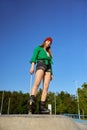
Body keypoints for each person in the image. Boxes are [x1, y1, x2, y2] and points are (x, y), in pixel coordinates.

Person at [28, 37, 53, 114]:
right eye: (48, 41)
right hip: (41, 64)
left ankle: (42, 107)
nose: (49, 42)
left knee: (46, 87)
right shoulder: (38, 48)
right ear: (45, 41)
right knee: (37, 83)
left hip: (48, 68)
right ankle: (31, 102)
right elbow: (34, 57)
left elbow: (50, 63)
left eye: (50, 42)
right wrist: (32, 66)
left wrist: (52, 73)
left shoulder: (49, 53)